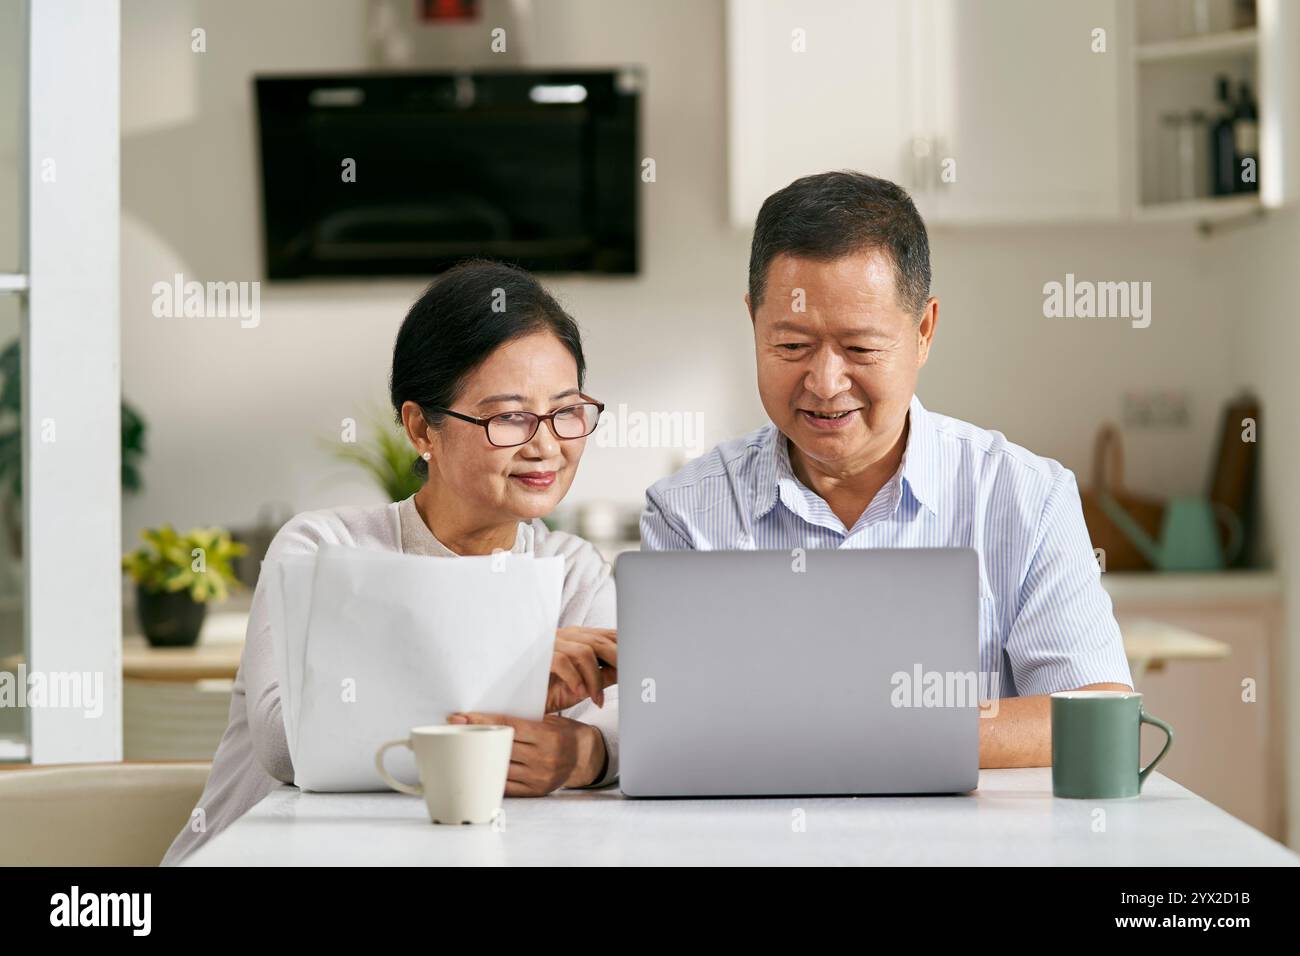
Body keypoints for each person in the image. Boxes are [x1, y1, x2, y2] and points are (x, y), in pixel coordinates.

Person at [639, 170, 1132, 768]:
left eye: (861, 349)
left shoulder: (1025, 496)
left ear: (923, 331)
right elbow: (668, 722)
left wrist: (880, 726)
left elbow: (1098, 715)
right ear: (754, 323)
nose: (824, 383)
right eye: (791, 346)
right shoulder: (688, 512)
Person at [163, 259, 618, 865]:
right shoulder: (321, 549)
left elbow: (633, 725)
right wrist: (520, 667)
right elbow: (287, 742)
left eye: (566, 410)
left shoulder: (573, 570)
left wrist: (586, 756)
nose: (546, 443)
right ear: (421, 429)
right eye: (509, 415)